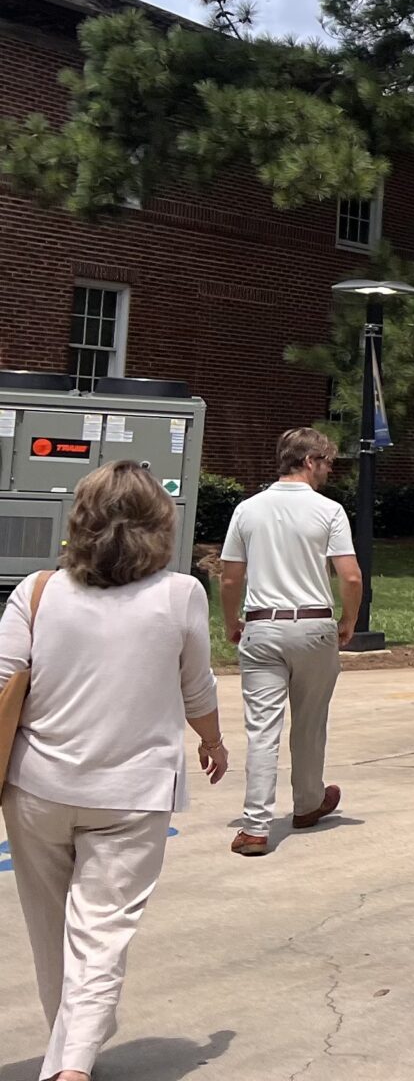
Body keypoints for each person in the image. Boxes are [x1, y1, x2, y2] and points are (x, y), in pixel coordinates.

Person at [1, 462, 226, 1081]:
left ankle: (70, 1048)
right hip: (132, 791)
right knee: (100, 931)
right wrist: (212, 741)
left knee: (50, 928)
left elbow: (3, 681)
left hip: (37, 785)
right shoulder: (180, 594)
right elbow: (197, 689)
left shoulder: (37, 591)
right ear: (161, 525)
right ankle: (73, 1063)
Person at [218, 427, 363, 857]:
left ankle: (255, 826)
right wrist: (349, 619)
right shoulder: (329, 511)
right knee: (310, 722)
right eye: (328, 462)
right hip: (313, 625)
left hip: (261, 625)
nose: (329, 471)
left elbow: (230, 577)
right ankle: (308, 802)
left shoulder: (247, 509)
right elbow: (351, 576)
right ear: (310, 461)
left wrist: (231, 620)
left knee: (262, 729)